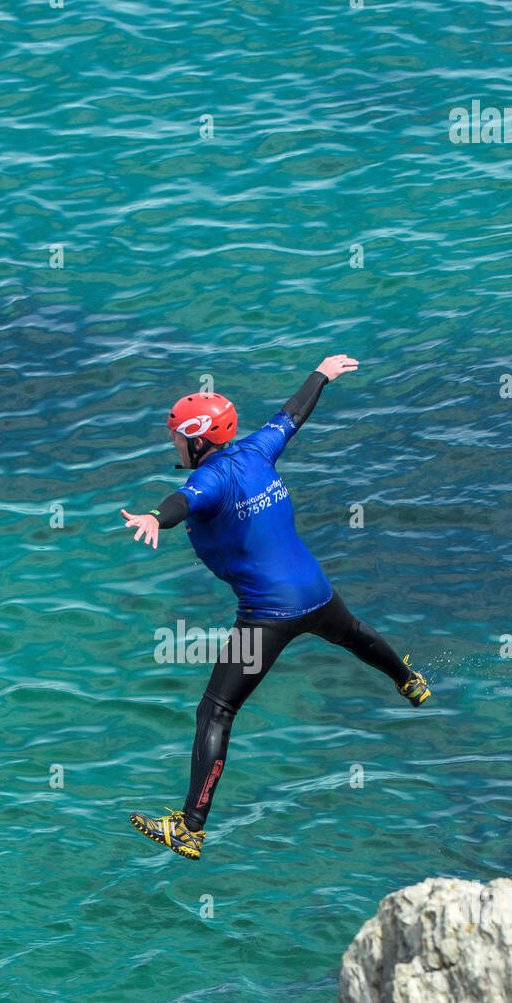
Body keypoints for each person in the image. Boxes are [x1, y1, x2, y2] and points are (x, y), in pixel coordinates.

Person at [120, 355, 431, 860]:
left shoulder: (210, 480)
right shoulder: (258, 451)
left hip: (266, 615)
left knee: (216, 710)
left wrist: (157, 517)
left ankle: (190, 827)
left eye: (177, 434)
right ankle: (410, 681)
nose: (173, 441)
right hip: (315, 592)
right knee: (353, 633)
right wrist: (320, 375)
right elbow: (292, 415)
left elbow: (183, 500)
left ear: (198, 439)